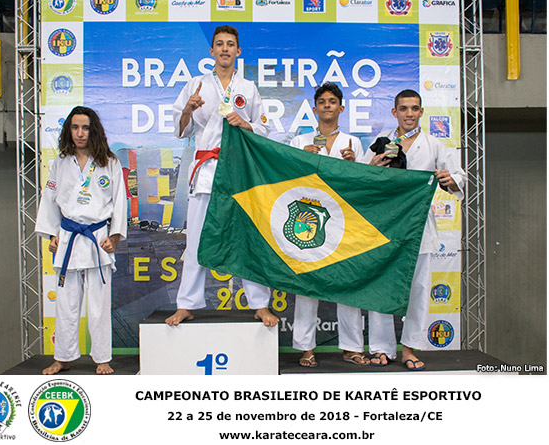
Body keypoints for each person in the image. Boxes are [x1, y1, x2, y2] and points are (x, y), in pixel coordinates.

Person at [165, 25, 278, 327]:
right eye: (219, 44)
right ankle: (187, 304)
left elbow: (264, 128)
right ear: (212, 50)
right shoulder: (196, 84)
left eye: (230, 44)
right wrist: (187, 110)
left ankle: (259, 304)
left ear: (238, 51)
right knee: (196, 240)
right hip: (205, 172)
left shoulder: (248, 88)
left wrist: (245, 123)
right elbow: (181, 130)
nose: (225, 49)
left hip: (237, 171)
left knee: (247, 238)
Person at [363, 89, 465, 371]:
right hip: (385, 224)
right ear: (394, 112)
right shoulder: (381, 142)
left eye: (414, 108)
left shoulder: (433, 145)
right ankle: (382, 349)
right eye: (404, 108)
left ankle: (409, 348)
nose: (409, 113)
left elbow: (459, 176)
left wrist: (449, 179)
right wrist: (372, 165)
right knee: (381, 285)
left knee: (418, 288)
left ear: (421, 112)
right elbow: (362, 179)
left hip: (419, 224)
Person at [35, 106, 127, 375]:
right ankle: (63, 357)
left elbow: (119, 201)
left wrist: (115, 236)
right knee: (66, 304)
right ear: (69, 130)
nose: (80, 133)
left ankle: (102, 358)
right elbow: (50, 199)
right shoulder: (60, 162)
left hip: (98, 238)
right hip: (69, 239)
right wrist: (52, 233)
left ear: (93, 130)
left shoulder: (109, 162)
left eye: (85, 128)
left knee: (99, 305)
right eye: (75, 127)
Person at [289, 82, 370, 367]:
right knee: (307, 284)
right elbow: (287, 178)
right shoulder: (300, 141)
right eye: (322, 101)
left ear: (341, 108)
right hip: (307, 218)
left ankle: (351, 347)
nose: (327, 105)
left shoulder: (352, 142)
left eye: (332, 101)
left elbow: (362, 183)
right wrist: (302, 158)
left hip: (343, 218)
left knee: (347, 282)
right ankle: (306, 348)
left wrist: (353, 163)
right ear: (314, 109)